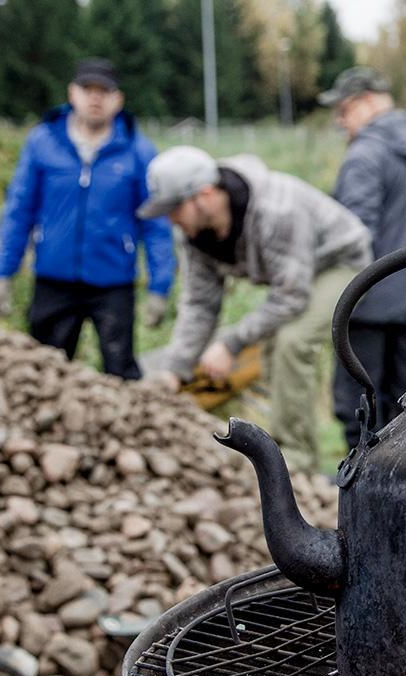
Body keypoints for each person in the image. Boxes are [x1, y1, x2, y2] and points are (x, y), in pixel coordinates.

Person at [138, 146, 372, 473]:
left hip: (342, 263)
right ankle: (277, 444)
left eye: (174, 209)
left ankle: (299, 460)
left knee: (292, 341)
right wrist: (175, 369)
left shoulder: (276, 211)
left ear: (204, 195)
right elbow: (200, 304)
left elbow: (291, 296)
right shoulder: (195, 235)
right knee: (271, 345)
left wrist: (230, 343)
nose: (170, 219)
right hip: (296, 273)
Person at [0, 58, 175, 379]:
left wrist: (160, 286)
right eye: (87, 89)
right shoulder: (43, 143)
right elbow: (20, 210)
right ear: (72, 93)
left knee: (119, 368)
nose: (95, 98)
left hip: (113, 282)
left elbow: (155, 223)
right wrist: (3, 271)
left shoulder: (137, 150)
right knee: (46, 368)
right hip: (54, 279)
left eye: (104, 91)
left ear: (118, 99)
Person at [318, 66, 406, 450]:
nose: (341, 122)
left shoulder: (365, 154)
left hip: (366, 301)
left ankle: (358, 493)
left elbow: (353, 236)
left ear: (368, 101)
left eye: (344, 111)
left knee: (358, 409)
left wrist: (330, 285)